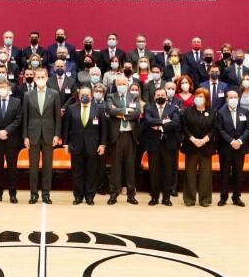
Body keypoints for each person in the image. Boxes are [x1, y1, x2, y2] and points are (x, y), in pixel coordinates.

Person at [21, 68, 61, 204]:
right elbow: (25, 117)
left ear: (47, 78)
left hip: (49, 134)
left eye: (42, 77)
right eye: (37, 77)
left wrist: (57, 135)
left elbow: (57, 117)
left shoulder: (54, 94)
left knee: (47, 166)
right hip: (33, 134)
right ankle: (33, 194)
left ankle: (46, 194)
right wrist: (25, 136)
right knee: (33, 166)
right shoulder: (27, 95)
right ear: (34, 78)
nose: (40, 79)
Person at [64, 85, 107, 205]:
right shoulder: (71, 108)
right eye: (82, 95)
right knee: (77, 173)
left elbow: (104, 129)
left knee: (91, 173)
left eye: (87, 95)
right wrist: (66, 144)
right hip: (76, 146)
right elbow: (66, 128)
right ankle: (78, 196)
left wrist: (102, 144)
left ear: (91, 96)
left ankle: (90, 196)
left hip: (93, 146)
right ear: (79, 96)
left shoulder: (98, 109)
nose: (85, 97)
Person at [142, 82, 181, 206]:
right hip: (153, 144)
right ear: (154, 97)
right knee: (154, 172)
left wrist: (160, 127)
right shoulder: (148, 107)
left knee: (168, 172)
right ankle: (154, 197)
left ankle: (166, 198)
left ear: (166, 96)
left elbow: (175, 123)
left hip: (168, 144)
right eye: (158, 94)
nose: (160, 96)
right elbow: (148, 121)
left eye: (162, 94)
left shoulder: (173, 108)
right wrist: (164, 122)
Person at [105, 77, 142, 205]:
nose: (122, 85)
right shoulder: (111, 96)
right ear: (116, 85)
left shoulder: (134, 96)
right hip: (116, 136)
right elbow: (110, 110)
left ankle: (131, 194)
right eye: (119, 83)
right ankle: (113, 194)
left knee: (130, 166)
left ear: (128, 84)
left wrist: (120, 112)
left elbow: (137, 112)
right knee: (115, 167)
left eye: (124, 83)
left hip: (130, 136)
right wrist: (127, 110)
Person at [0, 77, 22, 204]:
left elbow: (18, 119)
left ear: (9, 89)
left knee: (12, 168)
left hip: (11, 139)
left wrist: (6, 131)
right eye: (0, 87)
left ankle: (13, 193)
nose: (2, 89)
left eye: (4, 87)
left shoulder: (16, 102)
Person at [215, 89, 249, 207]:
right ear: (226, 99)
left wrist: (240, 141)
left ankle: (236, 197)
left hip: (240, 148)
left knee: (238, 173)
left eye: (235, 97)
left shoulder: (244, 111)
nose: (233, 99)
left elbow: (248, 128)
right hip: (226, 147)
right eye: (230, 97)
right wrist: (231, 141)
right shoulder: (220, 112)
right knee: (224, 174)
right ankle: (223, 197)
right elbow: (219, 129)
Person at [180, 88, 217, 207]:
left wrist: (205, 139)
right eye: (196, 96)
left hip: (206, 147)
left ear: (206, 99)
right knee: (189, 174)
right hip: (191, 146)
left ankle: (205, 199)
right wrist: (193, 139)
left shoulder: (212, 111)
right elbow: (184, 127)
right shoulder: (187, 111)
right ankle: (189, 199)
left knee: (206, 174)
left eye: (201, 97)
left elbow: (214, 128)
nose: (198, 99)